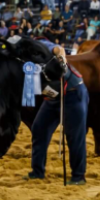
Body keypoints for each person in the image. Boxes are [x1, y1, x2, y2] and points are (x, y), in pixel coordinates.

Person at [25, 40, 88, 185]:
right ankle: (37, 172)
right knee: (39, 129)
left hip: (72, 92)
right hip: (52, 97)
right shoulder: (19, 65)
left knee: (74, 136)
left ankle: (78, 176)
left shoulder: (39, 46)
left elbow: (58, 49)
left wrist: (61, 57)